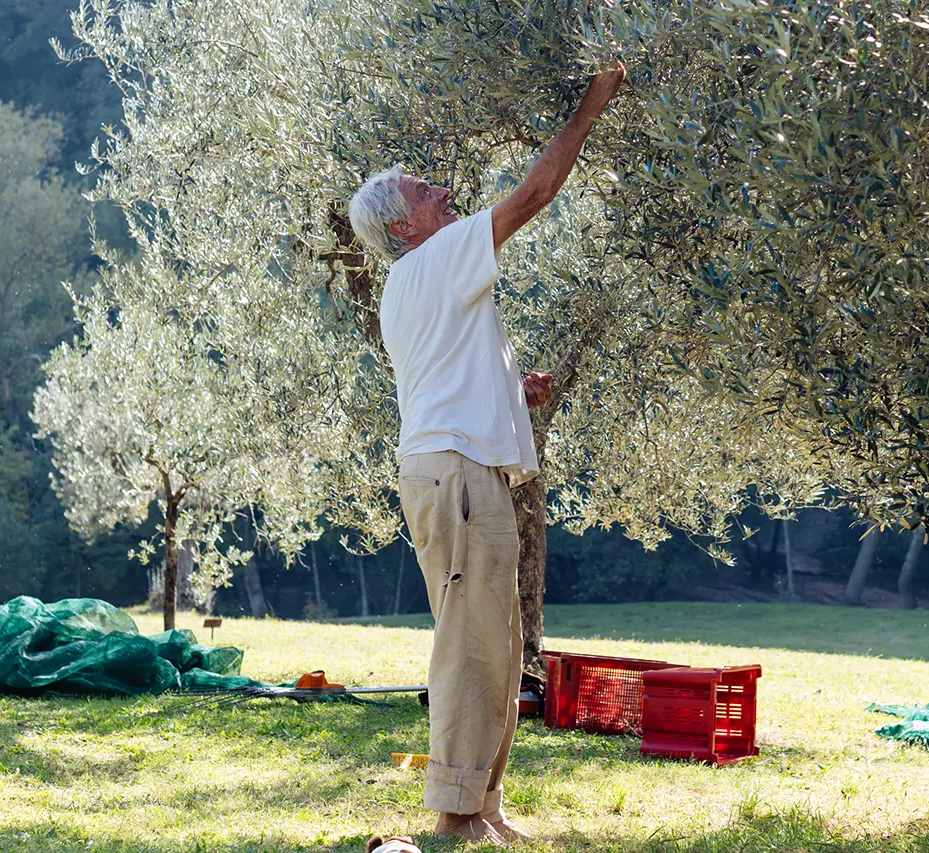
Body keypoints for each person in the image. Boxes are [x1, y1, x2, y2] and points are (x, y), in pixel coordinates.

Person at [348, 64, 626, 845]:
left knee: (497, 647)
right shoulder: (435, 260)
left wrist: (515, 388)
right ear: (404, 226)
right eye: (424, 190)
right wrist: (592, 102)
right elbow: (536, 193)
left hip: (460, 472)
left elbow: (450, 375)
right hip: (459, 475)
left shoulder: (419, 283)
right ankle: (453, 815)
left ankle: (483, 807)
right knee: (472, 648)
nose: (441, 191)